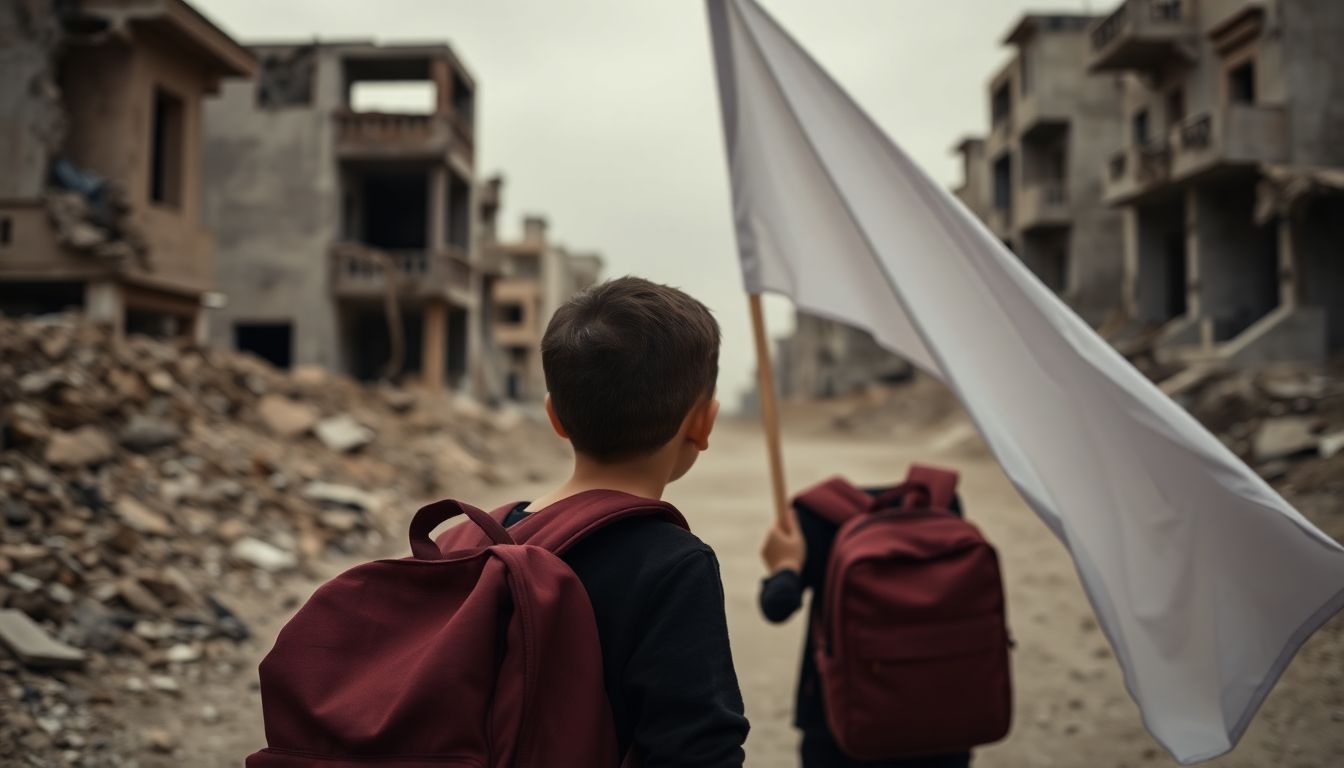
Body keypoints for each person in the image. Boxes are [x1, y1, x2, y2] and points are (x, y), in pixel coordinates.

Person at [512, 276, 748, 766]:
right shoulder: (675, 566)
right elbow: (698, 750)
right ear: (703, 424)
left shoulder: (488, 538)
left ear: (555, 418)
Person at [759, 494, 972, 768]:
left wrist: (785, 565)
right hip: (945, 717)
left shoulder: (815, 515)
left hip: (839, 724)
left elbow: (778, 605)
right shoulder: (943, 502)